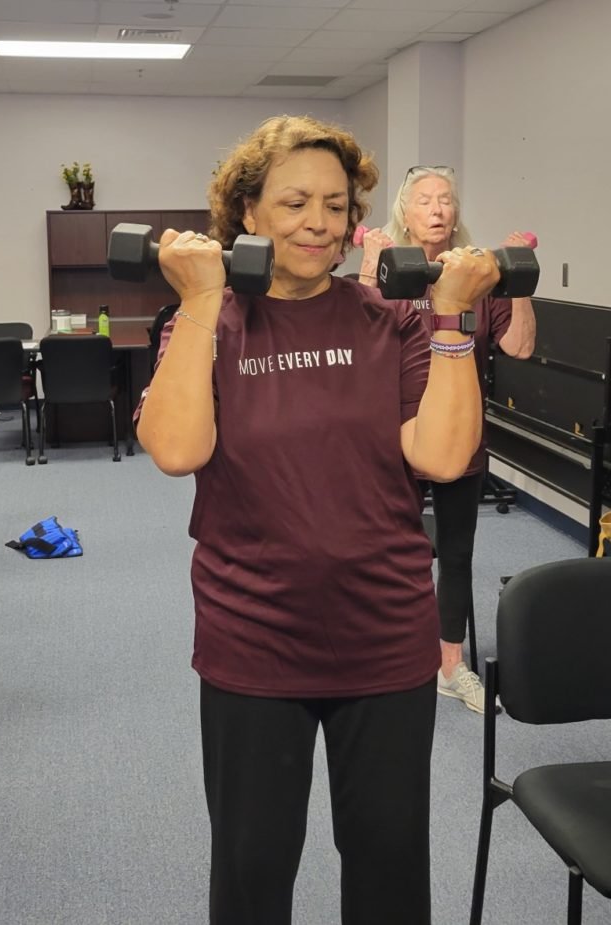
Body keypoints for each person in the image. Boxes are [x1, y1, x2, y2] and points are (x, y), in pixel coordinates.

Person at [136, 115, 500, 923]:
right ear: (249, 214)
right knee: (252, 867)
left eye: (335, 205)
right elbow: (175, 447)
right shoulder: (210, 321)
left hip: (384, 633)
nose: (318, 223)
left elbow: (441, 457)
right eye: (295, 201)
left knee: (388, 864)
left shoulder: (391, 320)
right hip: (254, 636)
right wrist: (199, 296)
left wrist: (450, 318)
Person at [357, 166, 537, 713]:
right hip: (392, 433)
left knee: (456, 553)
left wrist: (518, 278)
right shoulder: (391, 271)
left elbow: (520, 347)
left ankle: (450, 666)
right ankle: (385, 655)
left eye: (446, 200)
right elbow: (355, 347)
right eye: (424, 200)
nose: (437, 209)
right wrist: (368, 271)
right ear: (404, 213)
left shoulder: (477, 275)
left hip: (461, 431)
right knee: (386, 548)